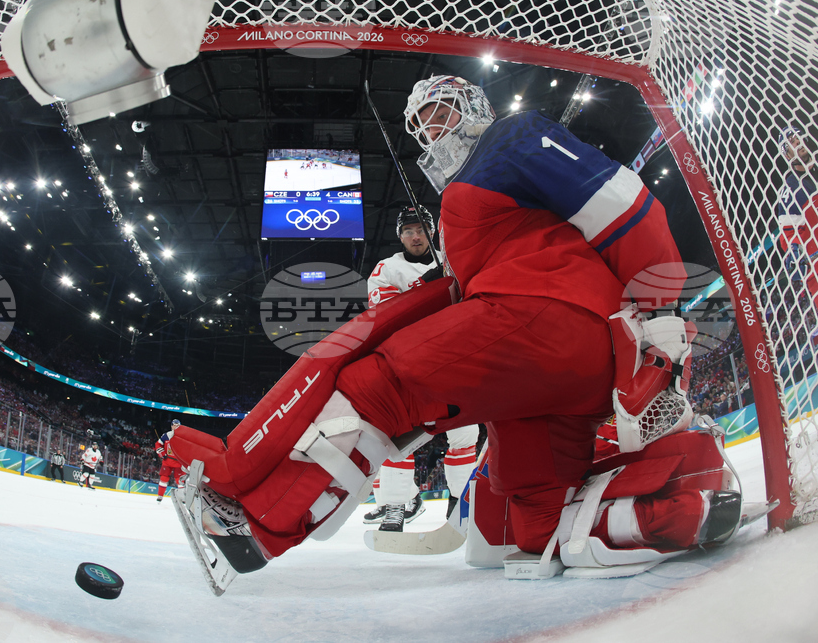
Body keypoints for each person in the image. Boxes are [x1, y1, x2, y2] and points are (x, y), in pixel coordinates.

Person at [170, 75, 740, 578]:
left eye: (439, 111)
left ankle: (258, 524)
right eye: (419, 124)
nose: (430, 129)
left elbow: (628, 207)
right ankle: (677, 502)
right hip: (546, 373)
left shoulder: (509, 138)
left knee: (379, 388)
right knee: (535, 520)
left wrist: (663, 318)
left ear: (471, 105)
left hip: (547, 319)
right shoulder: (463, 209)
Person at [363, 205, 478, 532]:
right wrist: (428, 285)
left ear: (432, 231)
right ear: (400, 236)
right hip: (407, 360)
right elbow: (386, 315)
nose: (415, 236)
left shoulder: (453, 258)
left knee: (465, 432)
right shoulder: (386, 268)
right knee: (398, 435)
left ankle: (461, 501)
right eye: (408, 231)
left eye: (420, 229)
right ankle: (396, 506)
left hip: (454, 356)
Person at [775, 126, 818, 304]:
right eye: (791, 142)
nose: (798, 142)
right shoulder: (791, 189)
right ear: (787, 155)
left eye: (799, 138)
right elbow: (789, 236)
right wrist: (796, 253)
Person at [155, 419, 184, 502]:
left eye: (177, 425)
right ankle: (160, 496)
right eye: (174, 425)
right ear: (171, 426)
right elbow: (158, 444)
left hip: (178, 462)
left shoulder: (183, 436)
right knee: (163, 478)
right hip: (167, 460)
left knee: (180, 480)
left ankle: (182, 498)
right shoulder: (166, 435)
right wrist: (162, 453)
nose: (175, 427)